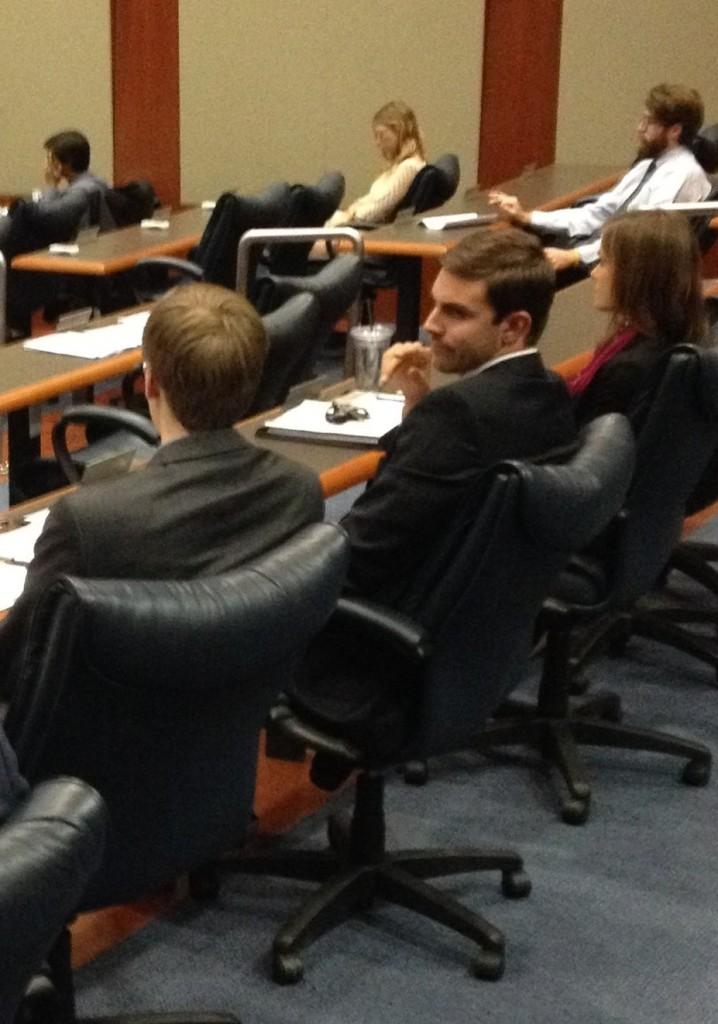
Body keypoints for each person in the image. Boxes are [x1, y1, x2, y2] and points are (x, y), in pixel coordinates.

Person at [290, 228, 577, 760]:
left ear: (513, 327)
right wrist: (418, 409)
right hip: (473, 643)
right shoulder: (550, 394)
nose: (429, 324)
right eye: (434, 304)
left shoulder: (459, 419)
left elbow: (358, 554)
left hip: (378, 655)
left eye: (456, 313)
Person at [0, 282, 324, 696]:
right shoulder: (298, 491)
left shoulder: (88, 521)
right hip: (222, 732)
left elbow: (15, 662)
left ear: (150, 383)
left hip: (90, 744)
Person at [488, 84, 711, 274]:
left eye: (649, 122)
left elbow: (639, 239)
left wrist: (575, 256)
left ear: (674, 131)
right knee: (505, 255)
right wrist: (529, 217)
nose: (640, 128)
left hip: (620, 267)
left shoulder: (684, 174)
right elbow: (599, 212)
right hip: (596, 251)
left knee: (510, 276)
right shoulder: (647, 165)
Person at [570, 209, 707, 431]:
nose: (594, 273)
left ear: (637, 275)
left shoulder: (627, 370)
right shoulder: (682, 334)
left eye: (604, 262)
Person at [327, 100, 426, 226]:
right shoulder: (402, 166)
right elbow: (374, 199)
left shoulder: (409, 167)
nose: (378, 142)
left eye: (381, 135)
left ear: (399, 131)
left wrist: (351, 214)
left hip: (362, 228)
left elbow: (379, 207)